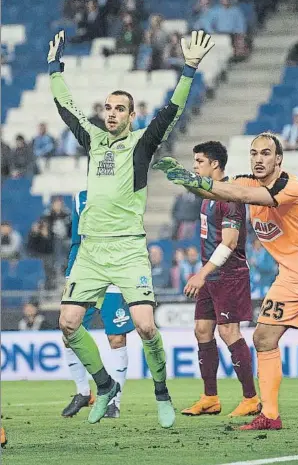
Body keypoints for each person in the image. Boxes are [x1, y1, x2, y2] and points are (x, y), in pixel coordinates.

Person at [154, 132, 298, 431]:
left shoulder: (290, 186)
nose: (258, 159)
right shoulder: (247, 180)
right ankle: (270, 415)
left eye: (265, 153)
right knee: (263, 338)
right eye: (254, 154)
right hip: (289, 277)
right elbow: (217, 192)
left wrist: (203, 183)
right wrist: (185, 179)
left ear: (278, 159)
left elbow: (243, 196)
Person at [47, 29, 214, 426]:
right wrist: (55, 68)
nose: (111, 113)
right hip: (91, 250)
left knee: (145, 327)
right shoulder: (94, 140)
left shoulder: (142, 143)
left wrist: (188, 69)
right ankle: (104, 386)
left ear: (130, 114)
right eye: (107, 107)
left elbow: (170, 112)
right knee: (67, 323)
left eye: (119, 108)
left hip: (126, 249)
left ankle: (161, 392)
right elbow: (65, 106)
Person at [177, 141, 260, 418]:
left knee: (228, 332)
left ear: (215, 164)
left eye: (199, 161)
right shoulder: (208, 195)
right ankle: (210, 397)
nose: (195, 165)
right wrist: (182, 180)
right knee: (202, 330)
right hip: (211, 275)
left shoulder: (230, 197)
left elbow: (230, 242)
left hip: (228, 274)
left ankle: (251, 398)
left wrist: (201, 273)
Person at [62, 190, 135, 419]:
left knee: (116, 338)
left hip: (114, 274)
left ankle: (115, 401)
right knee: (68, 332)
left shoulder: (124, 193)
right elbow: (76, 241)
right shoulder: (79, 198)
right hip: (85, 274)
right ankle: (83, 392)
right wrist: (69, 275)